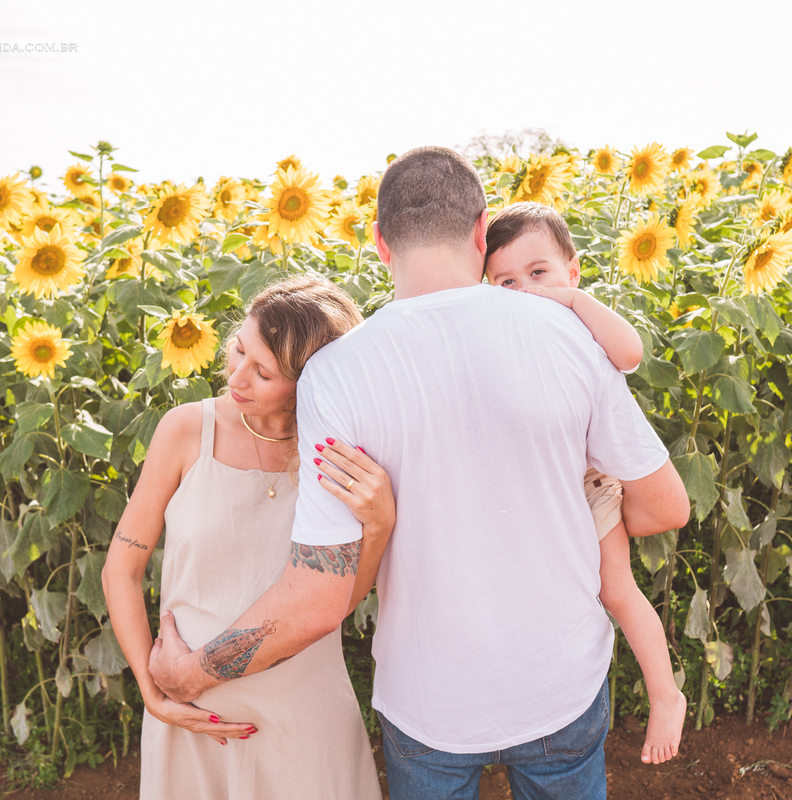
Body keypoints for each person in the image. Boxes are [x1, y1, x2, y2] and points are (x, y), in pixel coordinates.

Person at [149, 146, 690, 800]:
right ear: (480, 231)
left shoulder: (337, 374)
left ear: (380, 242)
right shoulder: (565, 333)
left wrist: (193, 672)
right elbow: (665, 508)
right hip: (559, 680)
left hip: (429, 699)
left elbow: (318, 595)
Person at [101, 275, 389, 799]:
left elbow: (343, 598)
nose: (237, 375)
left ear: (312, 381)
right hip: (195, 721)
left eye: (263, 371)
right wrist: (154, 693)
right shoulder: (186, 430)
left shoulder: (341, 452)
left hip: (305, 716)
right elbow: (121, 568)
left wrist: (381, 522)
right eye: (239, 349)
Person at [484, 201, 688, 765]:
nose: (525, 289)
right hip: (535, 491)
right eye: (506, 280)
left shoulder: (577, 313)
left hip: (590, 485)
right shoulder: (497, 330)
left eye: (539, 272)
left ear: (572, 269)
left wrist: (574, 302)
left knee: (616, 589)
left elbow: (630, 353)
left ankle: (665, 694)